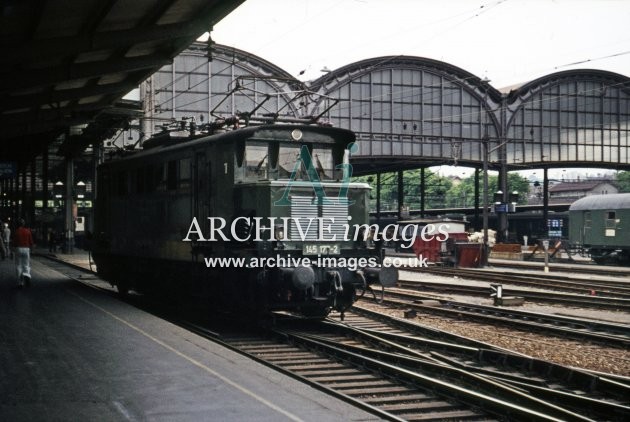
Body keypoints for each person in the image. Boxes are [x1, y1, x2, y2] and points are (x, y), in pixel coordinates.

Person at [12, 219, 34, 288]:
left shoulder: (16, 231)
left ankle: (20, 282)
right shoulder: (28, 231)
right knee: (26, 265)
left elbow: (14, 242)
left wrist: (12, 250)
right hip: (26, 249)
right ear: (24, 224)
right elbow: (31, 242)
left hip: (18, 248)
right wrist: (32, 249)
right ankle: (27, 275)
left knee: (18, 265)